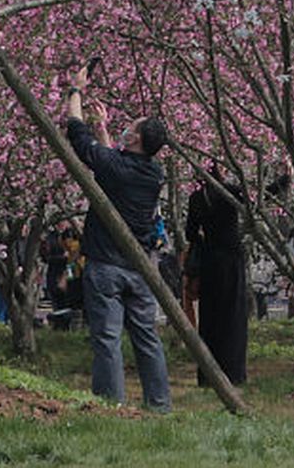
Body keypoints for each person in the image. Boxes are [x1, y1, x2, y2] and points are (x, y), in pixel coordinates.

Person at [61, 64, 172, 412]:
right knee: (147, 339)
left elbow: (77, 135)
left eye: (132, 127)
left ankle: (111, 405)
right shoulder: (154, 174)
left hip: (106, 267)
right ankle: (159, 404)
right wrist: (105, 129)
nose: (128, 129)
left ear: (136, 139)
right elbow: (112, 166)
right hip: (140, 269)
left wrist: (75, 91)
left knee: (107, 338)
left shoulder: (121, 168)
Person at [185, 173, 249, 386]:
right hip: (231, 259)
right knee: (233, 317)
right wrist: (285, 179)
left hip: (210, 261)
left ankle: (208, 374)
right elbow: (259, 197)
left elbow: (190, 233)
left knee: (210, 319)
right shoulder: (229, 191)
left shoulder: (196, 198)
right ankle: (234, 373)